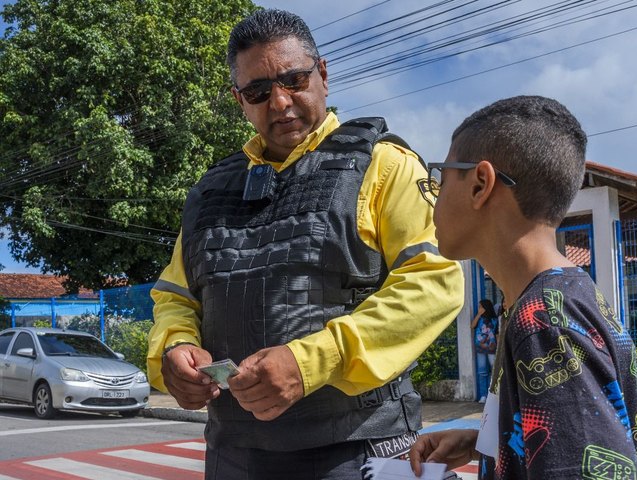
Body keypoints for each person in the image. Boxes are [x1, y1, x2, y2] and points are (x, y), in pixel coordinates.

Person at [146, 9, 464, 480]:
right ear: (239, 100)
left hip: (358, 447)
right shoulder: (209, 192)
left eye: (293, 80)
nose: (279, 102)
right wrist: (175, 349)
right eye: (258, 92)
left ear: (323, 75)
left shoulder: (385, 166)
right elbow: (176, 297)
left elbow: (434, 284)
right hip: (233, 452)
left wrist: (311, 361)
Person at [410, 96, 637, 479]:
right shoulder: (553, 298)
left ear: (480, 185)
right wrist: (486, 444)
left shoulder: (543, 321)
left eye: (441, 181)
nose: (434, 199)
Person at [470, 298, 498, 403]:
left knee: (493, 371)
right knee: (482, 371)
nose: (479, 308)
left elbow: (496, 333)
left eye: (481, 306)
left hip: (492, 348)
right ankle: (483, 395)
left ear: (486, 307)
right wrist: (478, 314)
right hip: (480, 349)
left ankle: (492, 394)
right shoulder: (479, 318)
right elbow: (472, 326)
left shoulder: (494, 319)